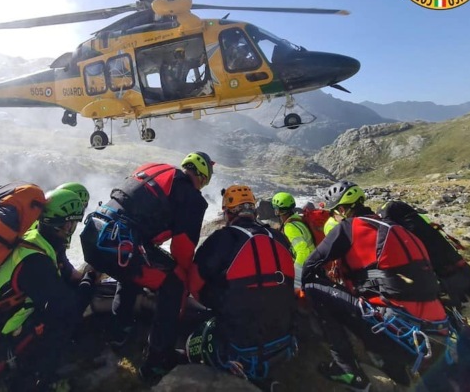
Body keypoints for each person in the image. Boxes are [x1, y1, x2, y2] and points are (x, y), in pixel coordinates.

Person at [302, 181, 449, 390]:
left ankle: (347, 369)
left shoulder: (349, 227)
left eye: (334, 213)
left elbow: (310, 264)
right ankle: (395, 369)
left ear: (342, 210)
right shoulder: (394, 226)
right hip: (437, 324)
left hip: (396, 327)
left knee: (312, 288)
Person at [80, 151, 214, 381]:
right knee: (174, 282)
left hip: (96, 235)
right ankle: (157, 361)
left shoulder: (153, 169)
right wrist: (186, 274)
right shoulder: (191, 196)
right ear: (202, 178)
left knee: (134, 270)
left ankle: (119, 331)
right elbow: (182, 247)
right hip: (120, 245)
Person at [0, 185, 93, 390]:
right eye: (72, 224)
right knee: (62, 322)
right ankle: (39, 381)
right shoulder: (36, 261)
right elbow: (66, 308)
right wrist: (90, 281)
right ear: (66, 224)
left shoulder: (32, 238)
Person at [187, 185, 297, 386]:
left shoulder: (221, 239)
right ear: (254, 211)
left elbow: (194, 285)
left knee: (193, 342)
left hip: (241, 345)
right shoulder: (280, 238)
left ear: (228, 213)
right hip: (283, 338)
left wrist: (220, 301)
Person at [272, 191, 315, 290]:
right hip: (313, 262)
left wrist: (296, 273)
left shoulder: (290, 227)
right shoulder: (297, 219)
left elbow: (303, 251)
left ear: (277, 211)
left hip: (306, 265)